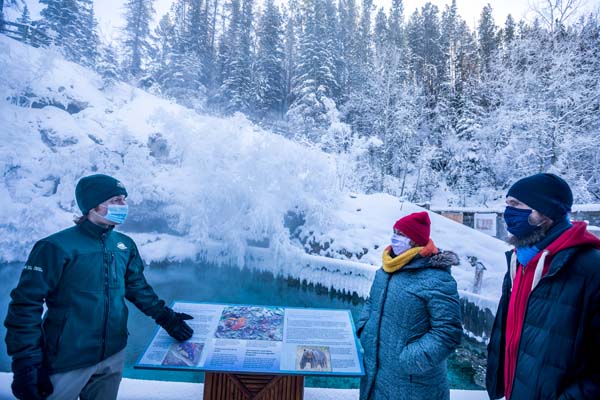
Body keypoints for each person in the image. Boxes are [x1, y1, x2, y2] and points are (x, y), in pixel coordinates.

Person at [4, 174, 195, 400]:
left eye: (123, 199)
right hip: (67, 359)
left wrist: (167, 318)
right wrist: (26, 364)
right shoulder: (55, 247)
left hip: (113, 355)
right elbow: (25, 306)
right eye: (115, 200)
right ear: (92, 205)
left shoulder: (124, 245)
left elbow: (138, 289)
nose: (123, 206)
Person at [486, 173, 600, 399]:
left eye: (516, 205)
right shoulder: (519, 260)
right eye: (508, 204)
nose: (508, 213)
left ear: (545, 212)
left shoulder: (590, 268)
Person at [356, 211, 462, 400]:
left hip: (414, 383)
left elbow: (447, 332)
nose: (395, 238)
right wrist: (364, 329)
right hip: (376, 373)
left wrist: (411, 359)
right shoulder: (386, 270)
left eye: (402, 234)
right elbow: (371, 303)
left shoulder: (438, 278)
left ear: (415, 240)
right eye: (394, 232)